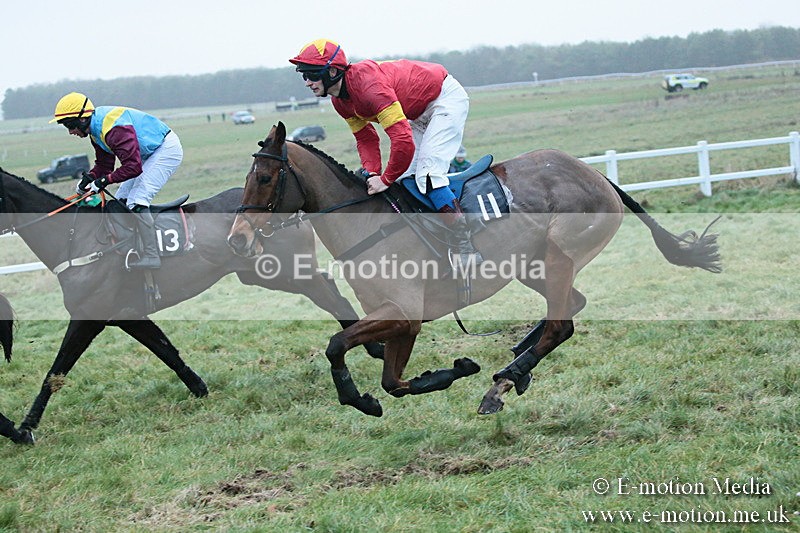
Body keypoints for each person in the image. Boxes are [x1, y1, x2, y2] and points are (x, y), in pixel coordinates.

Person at [289, 39, 481, 267]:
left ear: (332, 71)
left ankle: (465, 243)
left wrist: (385, 179)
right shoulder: (340, 102)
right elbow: (366, 138)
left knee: (428, 176)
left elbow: (402, 140)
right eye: (304, 75)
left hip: (444, 99)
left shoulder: (369, 89)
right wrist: (372, 172)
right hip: (417, 112)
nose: (307, 82)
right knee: (406, 179)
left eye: (311, 74)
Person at [50, 92, 183, 269]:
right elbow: (105, 166)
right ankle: (131, 247)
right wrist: (89, 179)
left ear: (82, 119)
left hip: (165, 149)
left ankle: (152, 255)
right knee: (121, 201)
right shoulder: (95, 131)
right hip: (145, 155)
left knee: (137, 200)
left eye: (70, 125)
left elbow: (133, 167)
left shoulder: (113, 128)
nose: (70, 131)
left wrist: (103, 182)